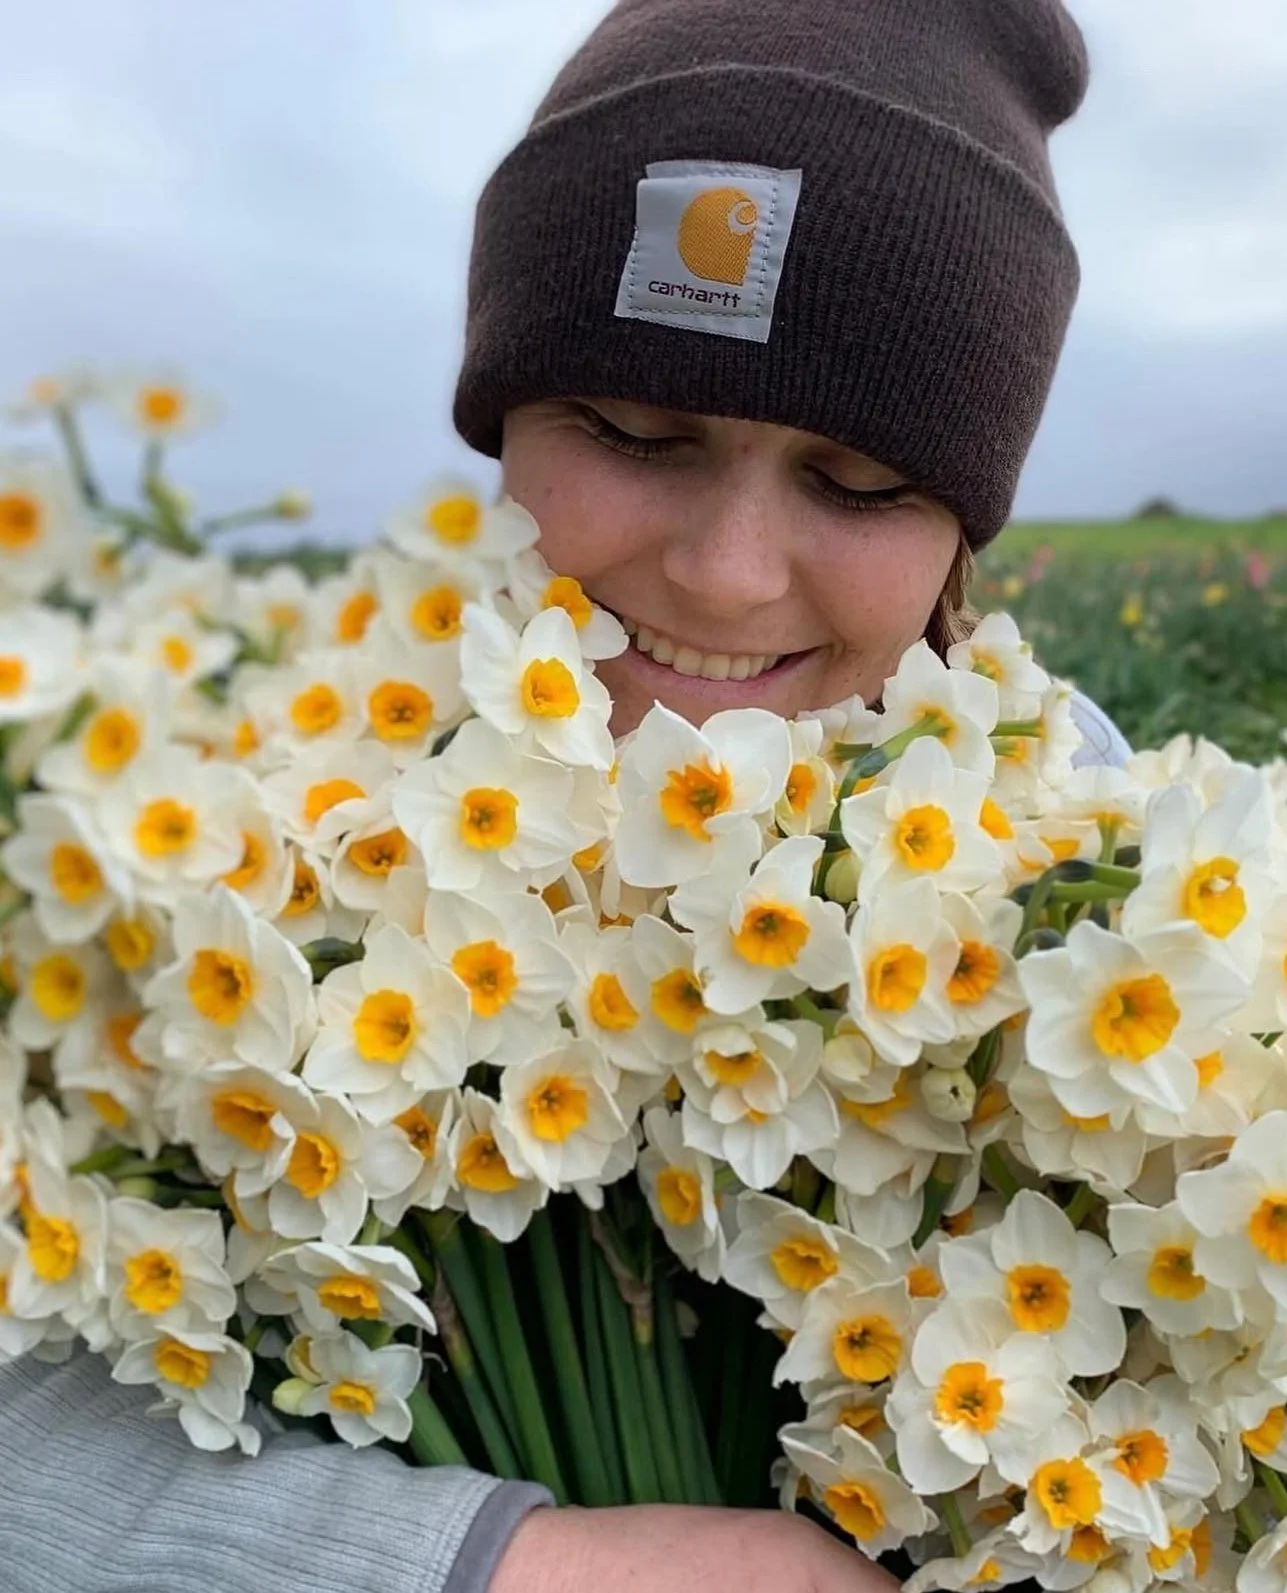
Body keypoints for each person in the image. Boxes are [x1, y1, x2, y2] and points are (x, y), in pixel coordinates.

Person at [1, 1, 1129, 1589]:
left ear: (965, 529)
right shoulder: (247, 815)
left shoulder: (1095, 850)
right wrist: (493, 1569)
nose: (726, 578)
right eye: (633, 431)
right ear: (502, 418)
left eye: (863, 482)